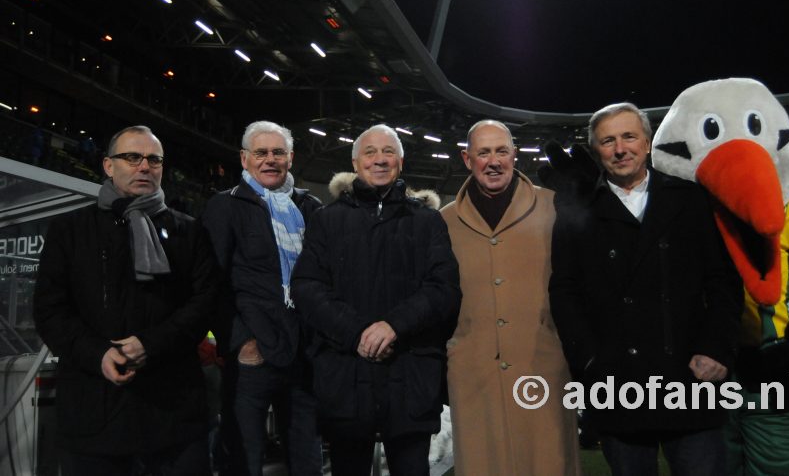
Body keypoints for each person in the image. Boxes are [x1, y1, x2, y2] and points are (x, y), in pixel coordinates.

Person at [549, 103, 743, 476]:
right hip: (618, 383)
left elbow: (723, 281)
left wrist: (717, 348)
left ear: (648, 142)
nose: (620, 148)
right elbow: (565, 292)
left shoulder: (690, 199)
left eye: (628, 136)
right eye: (608, 141)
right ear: (596, 150)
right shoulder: (577, 210)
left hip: (691, 378)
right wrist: (589, 361)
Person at [33, 125, 219, 476]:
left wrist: (151, 344)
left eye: (154, 159)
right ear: (107, 165)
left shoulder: (189, 230)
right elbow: (50, 310)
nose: (144, 166)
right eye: (132, 157)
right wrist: (98, 354)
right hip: (94, 410)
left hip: (173, 411)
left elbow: (204, 302)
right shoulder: (70, 230)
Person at [291, 124, 461, 476]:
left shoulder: (428, 221)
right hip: (346, 375)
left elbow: (443, 289)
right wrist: (358, 333)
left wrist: (394, 326)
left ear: (400, 161)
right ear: (355, 162)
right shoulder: (326, 220)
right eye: (370, 152)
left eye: (388, 152)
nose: (379, 160)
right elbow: (307, 288)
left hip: (410, 375)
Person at [440, 119, 580, 475]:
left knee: (549, 462)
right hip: (473, 371)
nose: (494, 161)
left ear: (515, 155)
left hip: (543, 367)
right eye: (483, 152)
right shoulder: (443, 221)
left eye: (502, 151)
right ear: (466, 158)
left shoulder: (554, 206)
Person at [201, 121, 323, 476]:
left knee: (308, 461)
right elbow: (212, 285)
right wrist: (241, 343)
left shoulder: (310, 207)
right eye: (261, 153)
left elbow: (323, 282)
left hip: (303, 356)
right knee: (245, 460)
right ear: (244, 158)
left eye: (278, 152)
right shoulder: (225, 206)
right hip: (253, 359)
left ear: (290, 158)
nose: (270, 160)